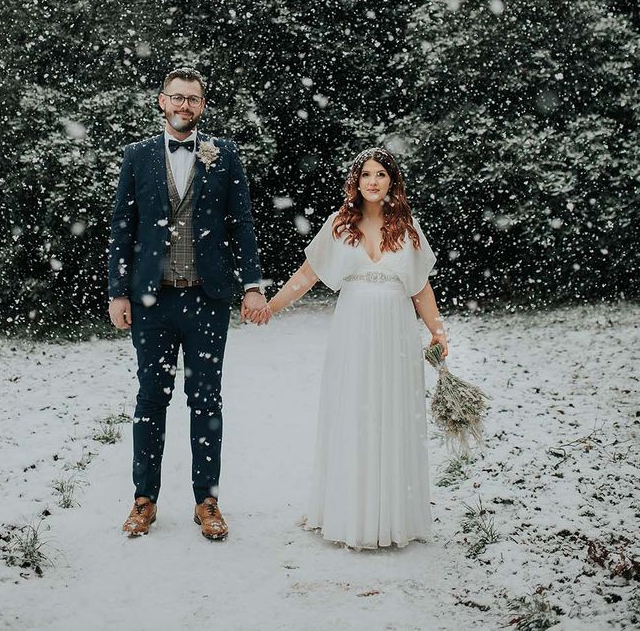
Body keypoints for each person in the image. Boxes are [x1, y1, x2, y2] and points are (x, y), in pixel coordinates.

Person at [243, 147, 447, 550]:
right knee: (355, 413)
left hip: (397, 335)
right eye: (366, 175)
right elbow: (309, 274)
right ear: (356, 182)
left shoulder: (407, 229)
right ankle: (350, 512)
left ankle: (393, 515)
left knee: (393, 414)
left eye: (381, 175)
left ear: (392, 182)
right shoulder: (340, 225)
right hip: (354, 331)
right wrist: (271, 307)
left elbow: (420, 285)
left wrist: (437, 332)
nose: (373, 182)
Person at [108, 67, 267, 539]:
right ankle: (144, 500)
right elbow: (123, 226)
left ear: (201, 105)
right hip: (152, 304)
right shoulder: (137, 156)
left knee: (206, 400)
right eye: (177, 98)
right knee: (150, 399)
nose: (184, 106)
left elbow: (242, 224)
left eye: (192, 99)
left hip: (208, 299)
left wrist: (253, 285)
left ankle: (207, 501)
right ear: (162, 102)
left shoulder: (225, 154)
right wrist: (118, 291)